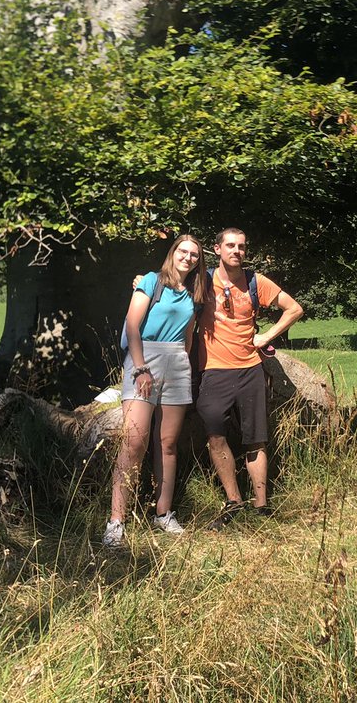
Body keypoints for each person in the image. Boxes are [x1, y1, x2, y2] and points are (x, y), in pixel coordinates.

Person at [102, 234, 208, 547]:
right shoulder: (151, 281)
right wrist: (141, 368)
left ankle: (163, 513)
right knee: (134, 442)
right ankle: (116, 521)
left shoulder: (194, 293)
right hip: (144, 357)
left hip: (176, 363)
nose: (187, 258)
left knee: (168, 444)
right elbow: (132, 326)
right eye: (183, 251)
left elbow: (189, 336)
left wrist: (183, 366)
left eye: (194, 254)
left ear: (198, 261)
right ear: (173, 253)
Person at [196, 227, 304, 529]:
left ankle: (261, 505)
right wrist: (143, 280)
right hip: (213, 370)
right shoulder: (202, 280)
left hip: (250, 369)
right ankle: (234, 501)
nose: (236, 251)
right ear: (217, 249)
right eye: (230, 245)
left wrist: (267, 335)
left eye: (241, 247)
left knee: (255, 438)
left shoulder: (256, 281)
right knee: (215, 436)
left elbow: (294, 309)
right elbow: (169, 282)